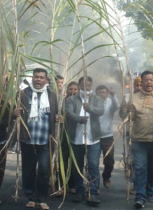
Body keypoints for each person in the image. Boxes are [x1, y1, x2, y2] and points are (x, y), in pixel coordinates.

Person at [120, 71, 153, 209]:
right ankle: (140, 197)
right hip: (139, 139)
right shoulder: (133, 97)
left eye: (151, 80)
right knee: (140, 168)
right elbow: (124, 116)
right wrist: (125, 108)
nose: (149, 82)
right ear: (141, 82)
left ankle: (150, 192)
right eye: (146, 80)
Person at [13, 68, 58, 210]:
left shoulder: (52, 95)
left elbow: (57, 113)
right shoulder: (23, 94)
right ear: (32, 78)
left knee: (44, 170)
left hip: (45, 139)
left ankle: (42, 199)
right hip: (28, 139)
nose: (38, 79)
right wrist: (15, 112)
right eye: (36, 77)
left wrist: (59, 117)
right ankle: (31, 197)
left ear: (46, 80)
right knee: (28, 170)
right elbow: (12, 111)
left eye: (41, 77)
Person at [65, 76, 104, 206]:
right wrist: (79, 118)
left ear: (91, 85)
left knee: (93, 166)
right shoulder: (71, 99)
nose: (86, 86)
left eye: (88, 84)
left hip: (93, 140)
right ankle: (80, 192)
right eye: (83, 84)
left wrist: (90, 109)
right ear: (80, 85)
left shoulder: (97, 99)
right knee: (77, 167)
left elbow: (100, 111)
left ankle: (92, 193)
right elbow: (69, 113)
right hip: (76, 139)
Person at [96, 85, 120, 189]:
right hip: (94, 137)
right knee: (93, 162)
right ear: (96, 93)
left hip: (108, 137)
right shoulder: (93, 101)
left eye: (104, 93)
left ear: (107, 93)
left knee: (109, 161)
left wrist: (113, 95)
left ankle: (106, 177)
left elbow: (116, 105)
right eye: (100, 92)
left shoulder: (110, 102)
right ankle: (94, 185)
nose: (102, 94)